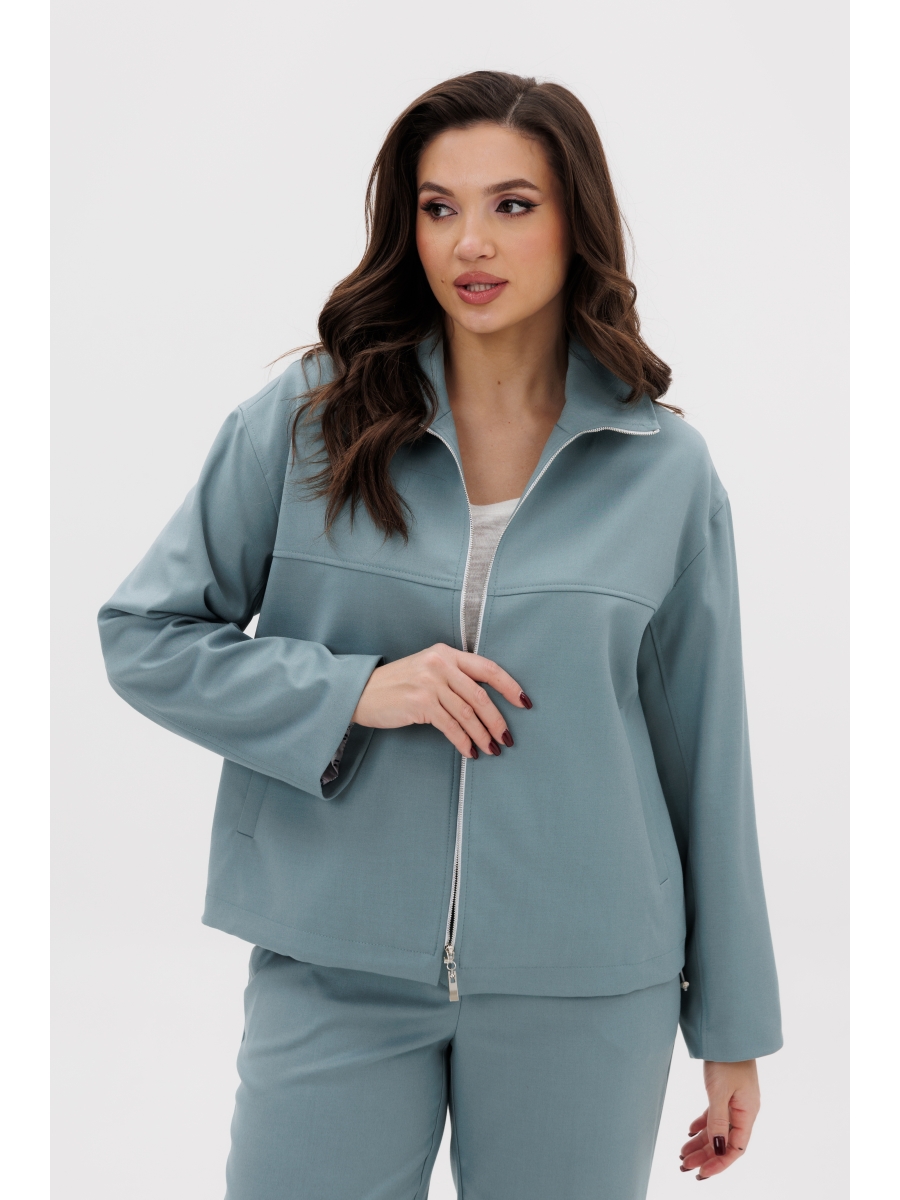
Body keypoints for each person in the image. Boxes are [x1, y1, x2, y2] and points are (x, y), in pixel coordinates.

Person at [98, 71, 782, 1199]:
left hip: (588, 978)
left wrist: (734, 1027)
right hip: (333, 957)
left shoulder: (665, 469)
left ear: (576, 220)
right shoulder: (310, 420)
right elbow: (146, 635)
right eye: (438, 206)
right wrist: (354, 692)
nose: (472, 241)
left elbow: (708, 756)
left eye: (513, 204)